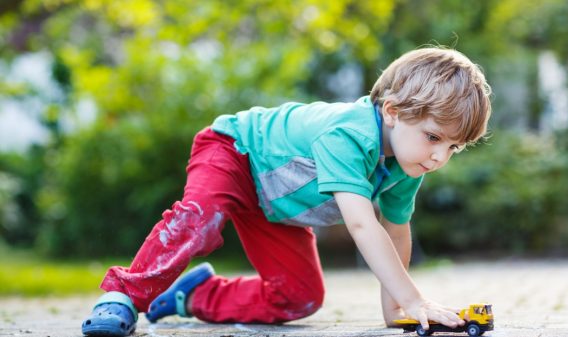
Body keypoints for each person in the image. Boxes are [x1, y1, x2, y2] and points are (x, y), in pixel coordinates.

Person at [81, 46, 492, 336]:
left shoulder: (407, 165)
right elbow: (363, 226)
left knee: (299, 298)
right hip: (236, 153)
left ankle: (193, 295)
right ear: (393, 111)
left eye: (453, 147)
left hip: (277, 205)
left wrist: (398, 309)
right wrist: (418, 299)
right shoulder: (349, 134)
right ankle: (124, 295)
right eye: (434, 137)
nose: (439, 157)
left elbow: (396, 230)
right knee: (199, 219)